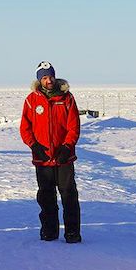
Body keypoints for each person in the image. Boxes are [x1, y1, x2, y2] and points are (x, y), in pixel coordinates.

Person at [19, 61, 82, 243]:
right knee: (46, 197)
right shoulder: (31, 100)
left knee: (69, 195)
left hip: (64, 158)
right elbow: (25, 128)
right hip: (43, 159)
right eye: (45, 77)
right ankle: (49, 231)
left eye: (51, 76)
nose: (49, 80)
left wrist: (66, 147)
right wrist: (34, 146)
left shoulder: (67, 98)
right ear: (39, 79)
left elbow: (73, 127)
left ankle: (72, 233)